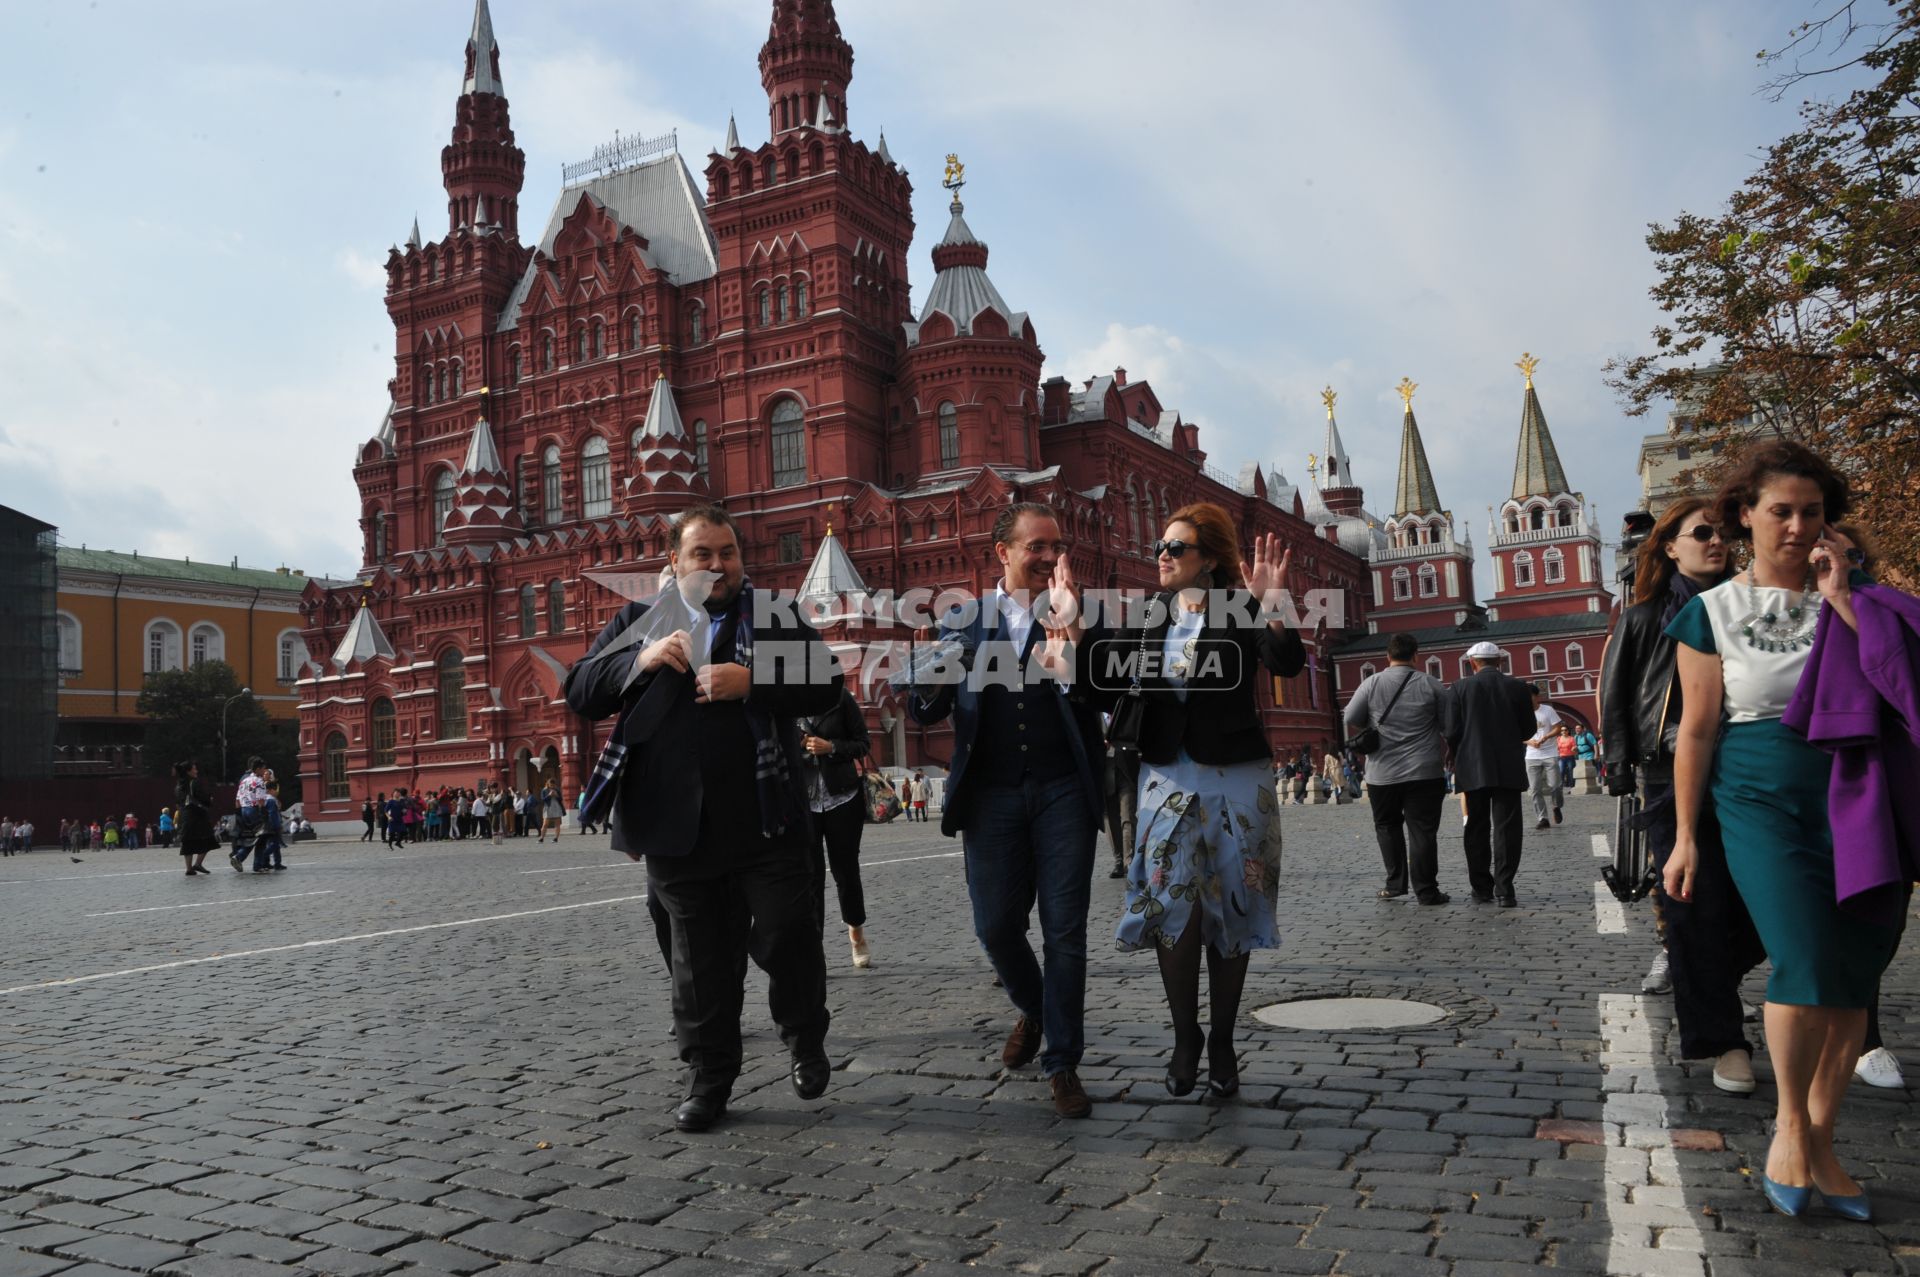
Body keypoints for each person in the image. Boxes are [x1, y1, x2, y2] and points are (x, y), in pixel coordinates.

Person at [1665, 442, 1904, 1219]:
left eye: (1811, 511)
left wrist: (1843, 601)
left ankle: (1824, 1139)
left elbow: (1899, 685)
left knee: (1856, 967)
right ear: (1746, 515)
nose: (1798, 525)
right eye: (1781, 510)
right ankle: (1790, 1127)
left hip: (1862, 789)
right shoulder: (1710, 612)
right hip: (1760, 791)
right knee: (1802, 955)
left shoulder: (1864, 597)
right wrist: (1685, 835)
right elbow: (1697, 730)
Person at [564, 503, 840, 1133]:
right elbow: (580, 690)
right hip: (675, 828)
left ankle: (803, 1035)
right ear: (674, 562)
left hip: (768, 820)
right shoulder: (640, 621)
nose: (718, 566)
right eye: (703, 555)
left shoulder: (772, 615)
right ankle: (710, 1079)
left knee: (788, 933)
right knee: (699, 963)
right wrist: (642, 658)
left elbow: (828, 683)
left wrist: (754, 682)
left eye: (728, 553)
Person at [907, 501, 1107, 1119]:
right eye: (1037, 547)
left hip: (1064, 790)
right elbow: (921, 711)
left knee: (1064, 931)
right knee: (994, 926)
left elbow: (1107, 693)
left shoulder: (1081, 614)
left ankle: (1063, 1063)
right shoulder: (963, 621)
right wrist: (931, 674)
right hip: (991, 794)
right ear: (1003, 553)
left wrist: (1073, 640)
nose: (1049, 557)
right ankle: (1036, 1008)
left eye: (1056, 546)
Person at [1105, 505, 1305, 1099]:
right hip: (1166, 777)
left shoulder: (1240, 609)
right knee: (1174, 905)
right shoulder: (1149, 616)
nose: (1161, 555)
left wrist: (1274, 609)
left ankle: (1222, 1037)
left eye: (1176, 547)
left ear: (1209, 560)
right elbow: (1107, 678)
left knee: (1234, 907)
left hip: (1236, 778)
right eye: (1161, 546)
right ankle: (1185, 1035)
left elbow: (1287, 662)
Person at [1601, 495, 1761, 1095]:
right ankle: (1723, 1041)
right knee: (1695, 907)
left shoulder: (1749, 607)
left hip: (1749, 769)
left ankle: (1710, 979)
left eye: (1723, 533)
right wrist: (1619, 766)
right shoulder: (1646, 616)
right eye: (1701, 533)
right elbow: (1617, 692)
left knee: (1759, 907)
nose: (1716, 542)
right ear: (1670, 547)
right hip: (1671, 774)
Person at [1344, 633, 1455, 906]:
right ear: (1416, 656)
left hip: (1382, 773)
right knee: (1422, 831)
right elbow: (1449, 726)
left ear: (1388, 656)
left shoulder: (1371, 683)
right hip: (1424, 771)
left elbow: (1350, 717)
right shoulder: (1432, 684)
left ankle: (1394, 885)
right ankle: (1427, 891)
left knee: (1387, 827)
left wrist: (1374, 726)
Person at [1443, 642, 1535, 907]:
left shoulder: (1460, 688)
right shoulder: (1518, 687)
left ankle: (1481, 888)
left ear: (1473, 663)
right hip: (1508, 765)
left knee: (1476, 827)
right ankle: (1505, 889)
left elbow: (1451, 730)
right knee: (1507, 828)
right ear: (1500, 662)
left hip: (1472, 766)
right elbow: (1528, 731)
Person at [798, 684, 873, 967]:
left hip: (843, 797)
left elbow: (863, 743)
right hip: (805, 803)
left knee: (846, 872)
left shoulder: (841, 698)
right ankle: (814, 949)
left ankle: (856, 935)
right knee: (810, 877)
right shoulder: (785, 699)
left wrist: (832, 747)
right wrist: (800, 745)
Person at [1524, 687, 1564, 830]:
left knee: (1556, 786)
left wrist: (1546, 737)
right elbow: (1518, 734)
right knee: (1535, 790)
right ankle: (1543, 818)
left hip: (1550, 753)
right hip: (1531, 755)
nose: (1528, 699)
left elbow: (1558, 728)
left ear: (1537, 697)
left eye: (1530, 696)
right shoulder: (1522, 712)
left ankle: (1556, 806)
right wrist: (1530, 742)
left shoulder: (1547, 710)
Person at [173, 761, 217, 876]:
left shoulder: (178, 785)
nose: (196, 771)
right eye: (194, 769)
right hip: (197, 815)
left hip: (184, 816)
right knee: (208, 839)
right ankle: (198, 863)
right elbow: (202, 797)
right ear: (189, 771)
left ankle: (189, 868)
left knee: (188, 842)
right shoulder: (194, 783)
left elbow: (178, 801)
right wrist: (209, 799)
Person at [1555, 725, 1578, 791]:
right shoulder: (1558, 738)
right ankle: (1560, 787)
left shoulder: (1571, 738)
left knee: (1571, 772)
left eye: (1565, 730)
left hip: (1570, 757)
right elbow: (1556, 747)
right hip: (1561, 757)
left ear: (1568, 731)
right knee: (1561, 771)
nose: (1563, 731)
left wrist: (1574, 748)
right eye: (1562, 730)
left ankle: (1572, 787)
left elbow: (1574, 746)